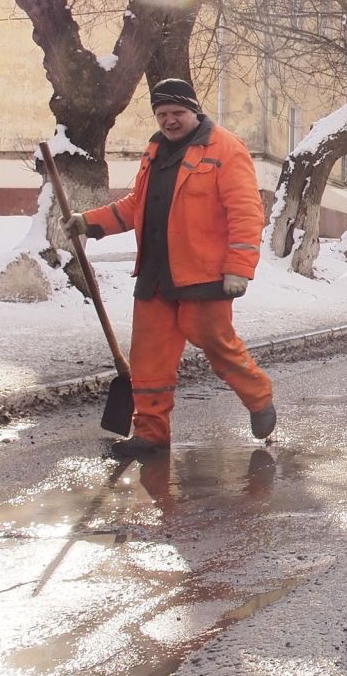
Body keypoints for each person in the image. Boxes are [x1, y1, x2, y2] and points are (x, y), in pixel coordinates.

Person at [68, 78, 277, 458]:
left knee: (216, 344)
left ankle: (258, 395)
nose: (169, 121)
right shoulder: (155, 149)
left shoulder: (226, 149)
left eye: (177, 113)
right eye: (162, 114)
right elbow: (138, 205)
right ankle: (150, 432)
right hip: (154, 274)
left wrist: (239, 268)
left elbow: (246, 212)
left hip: (206, 275)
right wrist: (90, 222)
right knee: (149, 358)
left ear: (194, 110)